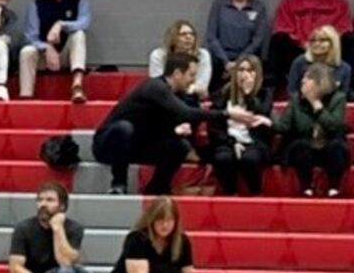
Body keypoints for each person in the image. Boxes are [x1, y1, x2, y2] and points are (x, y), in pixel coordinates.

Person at [90, 54, 200, 198]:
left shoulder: (180, 96)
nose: (193, 80)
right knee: (124, 128)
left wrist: (177, 131)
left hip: (138, 143)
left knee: (179, 146)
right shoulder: (154, 87)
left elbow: (157, 128)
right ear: (177, 74)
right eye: (191, 75)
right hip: (108, 144)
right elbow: (185, 113)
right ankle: (119, 184)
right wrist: (226, 113)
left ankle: (156, 188)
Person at [268, 0, 353, 87]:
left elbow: (343, 30)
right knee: (278, 40)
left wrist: (324, 44)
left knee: (350, 39)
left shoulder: (340, 4)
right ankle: (275, 89)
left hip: (331, 50)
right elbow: (284, 29)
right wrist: (307, 45)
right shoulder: (289, 3)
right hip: (300, 50)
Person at [274, 60, 349, 196]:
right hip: (306, 146)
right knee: (300, 145)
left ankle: (334, 189)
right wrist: (268, 120)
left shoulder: (338, 98)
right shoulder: (296, 99)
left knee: (336, 147)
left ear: (320, 82)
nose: (302, 81)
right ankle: (306, 188)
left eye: (308, 78)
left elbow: (335, 126)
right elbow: (285, 127)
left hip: (327, 145)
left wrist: (316, 105)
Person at [18, 0, 92, 102]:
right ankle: (25, 97)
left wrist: (61, 24)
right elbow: (29, 37)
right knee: (26, 51)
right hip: (43, 58)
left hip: (66, 56)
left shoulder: (80, 1)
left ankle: (77, 86)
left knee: (79, 34)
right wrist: (46, 47)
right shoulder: (37, 5)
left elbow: (84, 23)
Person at [206, 54, 273, 198]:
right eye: (241, 70)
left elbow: (262, 120)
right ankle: (230, 194)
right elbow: (214, 126)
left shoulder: (264, 94)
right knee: (223, 158)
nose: (245, 74)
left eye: (250, 70)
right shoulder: (221, 95)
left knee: (249, 159)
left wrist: (249, 96)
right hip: (227, 142)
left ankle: (256, 194)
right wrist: (233, 143)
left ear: (258, 73)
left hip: (255, 143)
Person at [204, 0, 270, 82]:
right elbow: (211, 37)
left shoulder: (259, 7)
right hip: (221, 60)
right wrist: (226, 63)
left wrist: (239, 63)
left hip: (248, 58)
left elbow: (258, 40)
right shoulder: (219, 5)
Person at [286, 24, 353, 99]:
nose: (317, 44)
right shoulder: (299, 62)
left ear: (333, 43)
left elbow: (343, 96)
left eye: (322, 40)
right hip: (303, 107)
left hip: (332, 109)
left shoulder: (345, 68)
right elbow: (292, 92)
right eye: (313, 40)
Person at [148, 20, 212, 97]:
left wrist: (187, 88)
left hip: (192, 97)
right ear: (173, 38)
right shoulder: (158, 55)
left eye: (192, 34)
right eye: (183, 34)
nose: (188, 37)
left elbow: (202, 87)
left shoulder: (202, 55)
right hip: (165, 96)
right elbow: (157, 85)